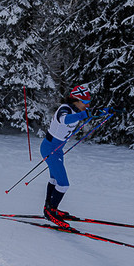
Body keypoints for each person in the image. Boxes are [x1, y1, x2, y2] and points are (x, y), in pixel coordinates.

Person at [41, 85, 93, 229]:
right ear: (76, 100)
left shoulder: (78, 110)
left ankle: (49, 208)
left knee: (54, 179)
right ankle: (51, 212)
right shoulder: (64, 109)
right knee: (63, 184)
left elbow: (89, 113)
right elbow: (65, 120)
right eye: (85, 102)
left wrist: (108, 111)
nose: (87, 105)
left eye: (89, 102)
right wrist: (85, 115)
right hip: (50, 148)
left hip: (57, 149)